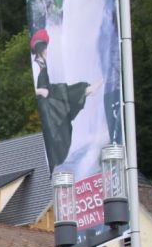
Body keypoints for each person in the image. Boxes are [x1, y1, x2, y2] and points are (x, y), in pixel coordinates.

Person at [30, 28, 101, 171]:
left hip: (49, 96)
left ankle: (86, 90)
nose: (47, 51)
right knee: (62, 95)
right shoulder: (37, 65)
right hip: (46, 102)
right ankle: (87, 90)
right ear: (41, 48)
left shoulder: (42, 63)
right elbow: (35, 89)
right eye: (46, 48)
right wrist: (40, 91)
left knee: (63, 94)